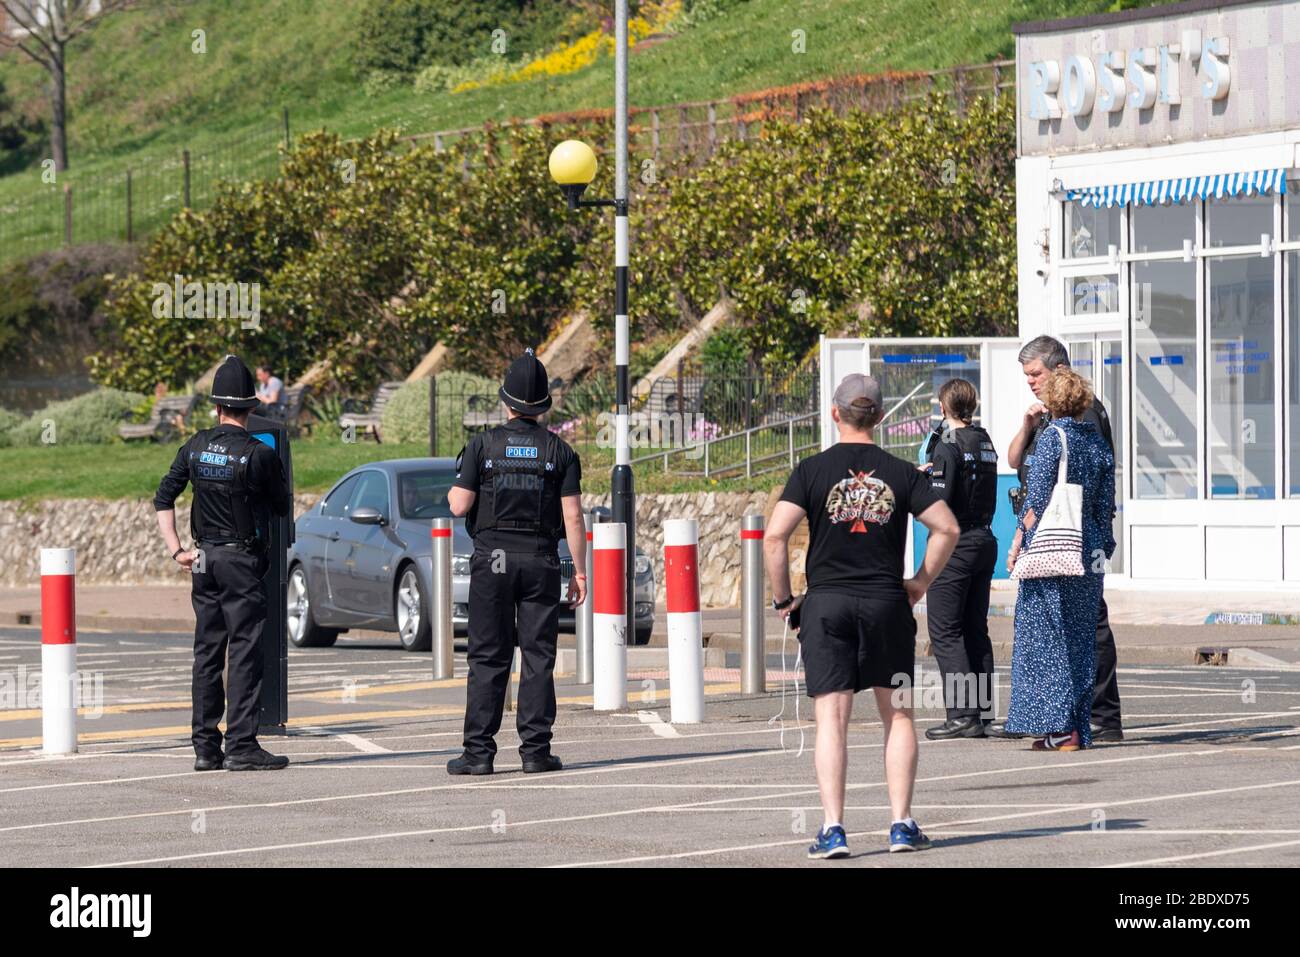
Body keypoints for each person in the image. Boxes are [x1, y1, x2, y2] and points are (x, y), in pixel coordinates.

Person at [764, 373, 959, 859]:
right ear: (880, 417)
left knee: (831, 717)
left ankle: (833, 829)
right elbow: (947, 528)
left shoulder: (809, 470)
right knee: (897, 713)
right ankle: (900, 824)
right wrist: (919, 583)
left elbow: (773, 538)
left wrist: (785, 601)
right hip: (885, 603)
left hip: (826, 604)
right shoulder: (901, 472)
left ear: (835, 414)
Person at [446, 349, 587, 775]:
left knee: (488, 656)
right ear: (543, 405)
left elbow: (459, 506)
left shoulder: (482, 444)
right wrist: (579, 571)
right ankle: (535, 753)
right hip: (540, 560)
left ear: (506, 401)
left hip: (493, 562)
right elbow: (574, 517)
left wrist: (457, 489)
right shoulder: (560, 452)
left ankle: (478, 754)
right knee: (538, 656)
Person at [153, 355, 292, 772]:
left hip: (202, 559)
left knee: (207, 652)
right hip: (240, 560)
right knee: (245, 651)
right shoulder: (258, 454)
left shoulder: (195, 445)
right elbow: (281, 508)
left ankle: (204, 747)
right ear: (252, 408)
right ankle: (243, 746)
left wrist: (178, 550)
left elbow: (164, 497)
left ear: (216, 407)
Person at [989, 334, 1125, 743]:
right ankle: (1075, 724)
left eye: (1035, 374)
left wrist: (1017, 543)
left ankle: (1083, 721)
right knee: (1079, 631)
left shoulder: (1076, 423)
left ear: (1059, 371)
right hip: (1085, 543)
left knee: (1057, 633)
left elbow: (1041, 495)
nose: (1031, 381)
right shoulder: (1050, 421)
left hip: (1056, 542)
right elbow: (1104, 495)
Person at [918, 379, 999, 740]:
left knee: (946, 631)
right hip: (984, 539)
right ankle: (981, 713)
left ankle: (962, 715)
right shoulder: (984, 440)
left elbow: (939, 503)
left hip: (957, 545)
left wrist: (918, 486)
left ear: (943, 407)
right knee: (974, 629)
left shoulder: (947, 447)